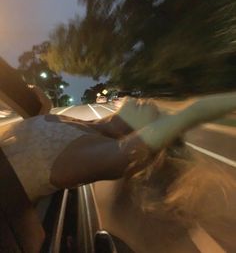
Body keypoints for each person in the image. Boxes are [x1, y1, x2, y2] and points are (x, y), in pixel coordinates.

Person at [1, 89, 236, 208]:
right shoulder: (77, 124)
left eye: (155, 116)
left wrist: (193, 112)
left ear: (140, 134)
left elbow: (194, 112)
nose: (149, 102)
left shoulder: (99, 156)